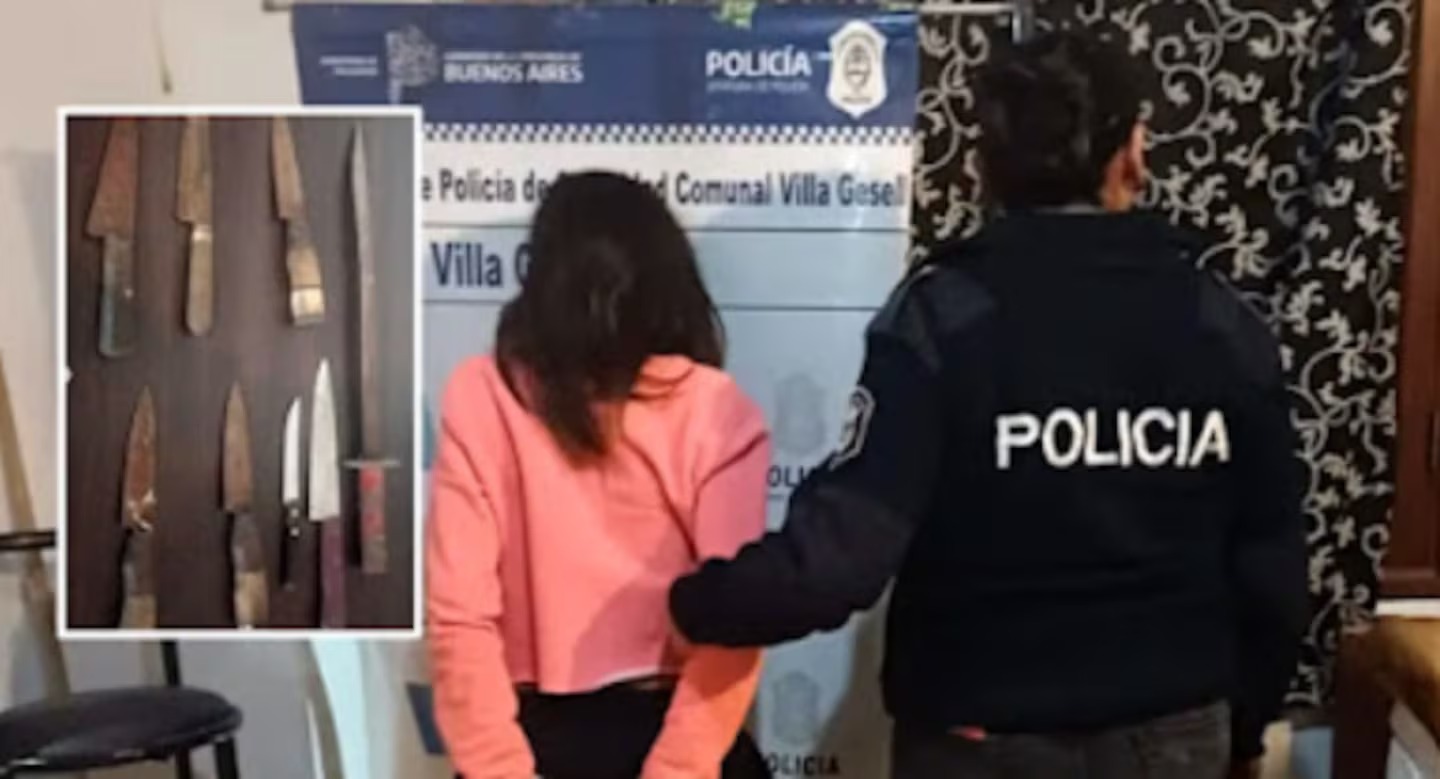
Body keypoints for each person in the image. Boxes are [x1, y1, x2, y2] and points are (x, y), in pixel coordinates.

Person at [668, 31, 1307, 779]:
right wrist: (1246, 728)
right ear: (1132, 152)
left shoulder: (941, 317)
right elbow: (1273, 569)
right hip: (1170, 737)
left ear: (988, 166)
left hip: (979, 742)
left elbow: (843, 557)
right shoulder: (1220, 320)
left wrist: (688, 606)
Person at [426, 171, 772, 779]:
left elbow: (460, 620)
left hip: (535, 738)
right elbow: (734, 626)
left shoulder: (483, 391)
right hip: (672, 736)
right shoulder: (716, 410)